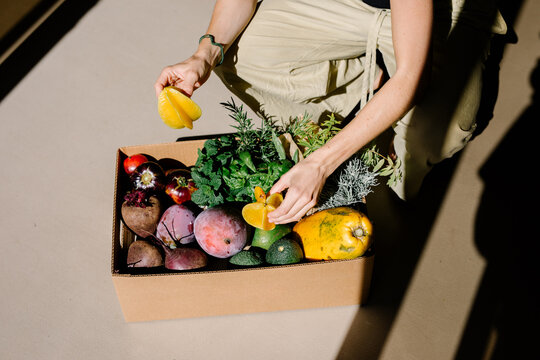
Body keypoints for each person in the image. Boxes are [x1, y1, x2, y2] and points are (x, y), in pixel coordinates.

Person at [154, 0, 506, 225]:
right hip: (345, 4)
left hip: (442, 9)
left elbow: (413, 74)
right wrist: (204, 55)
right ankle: (358, 89)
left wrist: (320, 164)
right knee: (239, 55)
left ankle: (381, 131)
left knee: (440, 130)